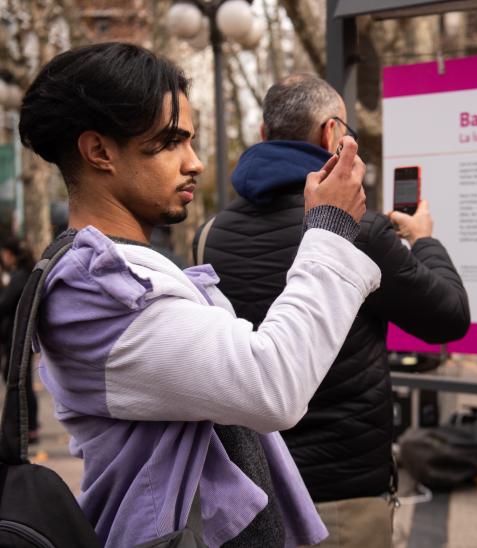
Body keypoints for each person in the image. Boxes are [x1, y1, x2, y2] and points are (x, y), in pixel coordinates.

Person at [18, 43, 380, 547]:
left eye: (191, 141)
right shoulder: (94, 288)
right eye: (170, 142)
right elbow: (272, 384)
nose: (194, 163)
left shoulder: (123, 267)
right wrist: (331, 228)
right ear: (99, 151)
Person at [195, 74, 470, 547]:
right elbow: (448, 317)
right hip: (340, 502)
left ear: (263, 135)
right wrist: (423, 239)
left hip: (247, 498)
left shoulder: (210, 234)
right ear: (330, 135)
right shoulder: (359, 230)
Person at [0, 238, 38, 443]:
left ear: (10, 254)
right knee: (20, 380)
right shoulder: (22, 275)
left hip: (18, 336)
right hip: (18, 335)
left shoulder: (19, 277)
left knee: (20, 381)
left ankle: (28, 427)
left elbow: (5, 304)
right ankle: (28, 427)